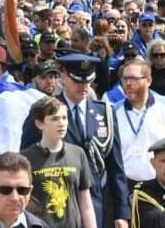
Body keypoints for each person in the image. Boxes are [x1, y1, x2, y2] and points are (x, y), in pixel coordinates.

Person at [20, 52, 131, 228]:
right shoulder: (46, 111)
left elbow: (115, 166)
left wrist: (122, 213)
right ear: (63, 77)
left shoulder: (104, 112)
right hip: (54, 203)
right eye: (77, 81)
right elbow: (27, 159)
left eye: (88, 81)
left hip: (96, 201)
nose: (84, 86)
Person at [21, 97, 97, 228]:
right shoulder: (26, 158)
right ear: (40, 124)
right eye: (54, 119)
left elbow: (86, 203)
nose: (61, 123)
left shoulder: (77, 153)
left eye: (64, 118)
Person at [114, 58, 165, 183]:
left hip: (160, 184)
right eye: (125, 79)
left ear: (148, 81)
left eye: (133, 79)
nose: (128, 83)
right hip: (125, 185)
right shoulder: (113, 111)